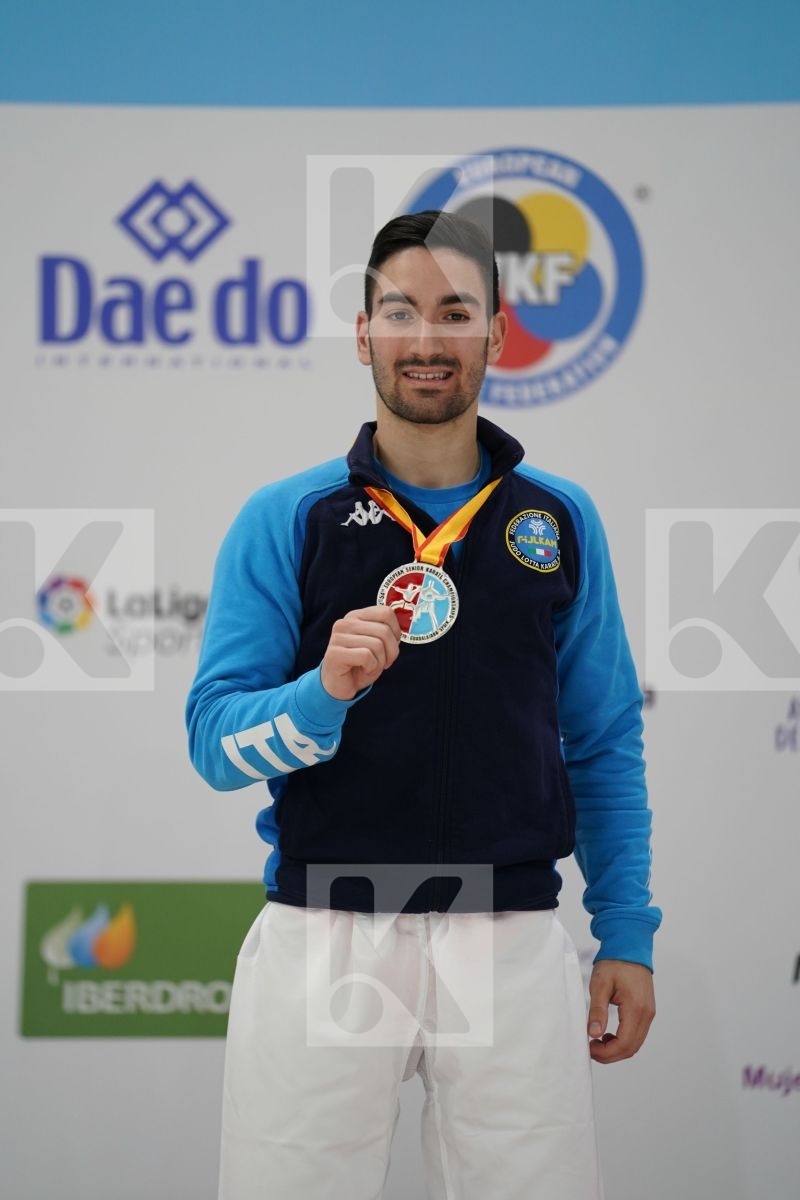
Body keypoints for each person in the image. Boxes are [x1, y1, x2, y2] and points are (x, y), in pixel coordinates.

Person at [186, 209, 661, 1200]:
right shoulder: (289, 517)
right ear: (362, 334)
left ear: (495, 334)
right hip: (328, 930)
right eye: (399, 312)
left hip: (510, 934)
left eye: (455, 313)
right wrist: (319, 697)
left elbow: (604, 740)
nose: (426, 339)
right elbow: (213, 745)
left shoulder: (555, 520)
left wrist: (622, 933)